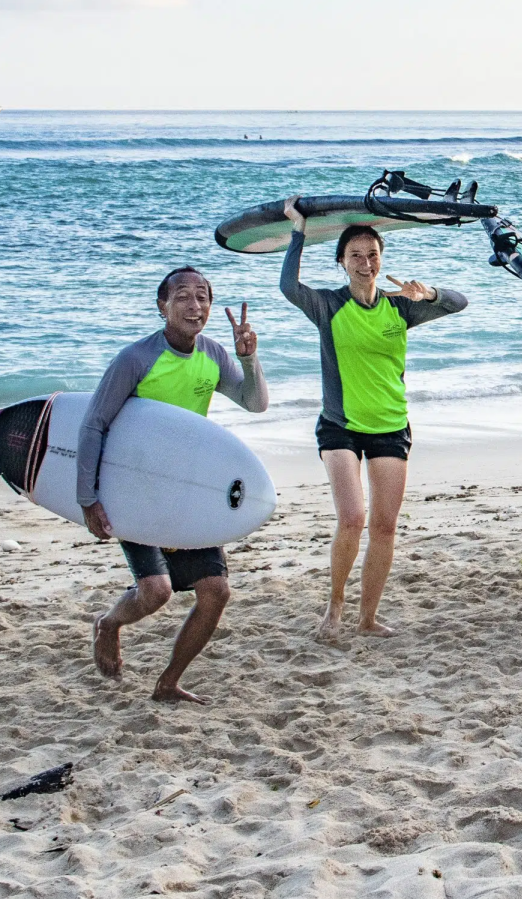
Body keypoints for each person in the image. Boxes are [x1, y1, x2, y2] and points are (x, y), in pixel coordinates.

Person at [279, 197, 468, 638]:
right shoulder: (327, 306)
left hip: (390, 425)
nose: (365, 263)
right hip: (340, 425)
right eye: (356, 256)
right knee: (352, 518)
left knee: (384, 527)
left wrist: (431, 294)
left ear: (381, 259)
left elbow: (459, 302)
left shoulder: (400, 307)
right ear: (342, 262)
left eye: (372, 255)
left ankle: (367, 618)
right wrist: (297, 232)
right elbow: (289, 287)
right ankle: (335, 605)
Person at [81, 267, 269, 704]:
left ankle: (168, 683)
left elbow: (255, 403)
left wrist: (247, 357)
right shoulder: (135, 358)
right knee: (156, 592)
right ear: (162, 306)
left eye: (202, 296)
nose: (194, 306)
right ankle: (109, 624)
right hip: (134, 488)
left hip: (186, 488)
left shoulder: (213, 354)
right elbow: (94, 423)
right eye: (182, 296)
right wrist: (87, 497)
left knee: (216, 592)